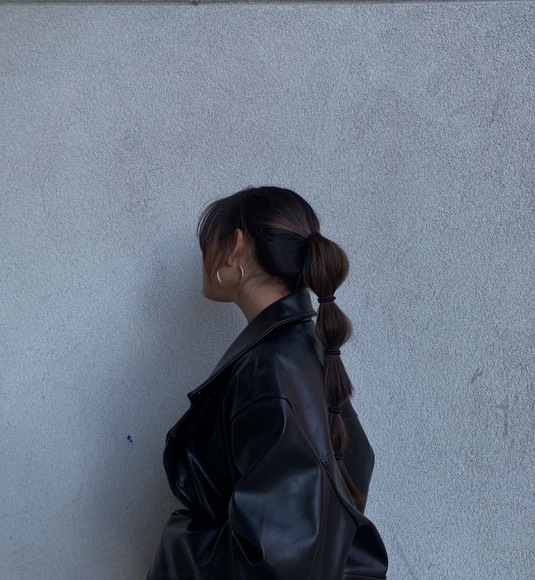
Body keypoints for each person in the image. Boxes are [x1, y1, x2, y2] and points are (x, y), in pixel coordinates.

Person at [146, 186, 388, 580]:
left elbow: (273, 559)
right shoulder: (304, 348)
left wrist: (176, 540)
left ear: (236, 246)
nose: (203, 255)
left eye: (209, 240)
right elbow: (356, 465)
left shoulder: (268, 366)